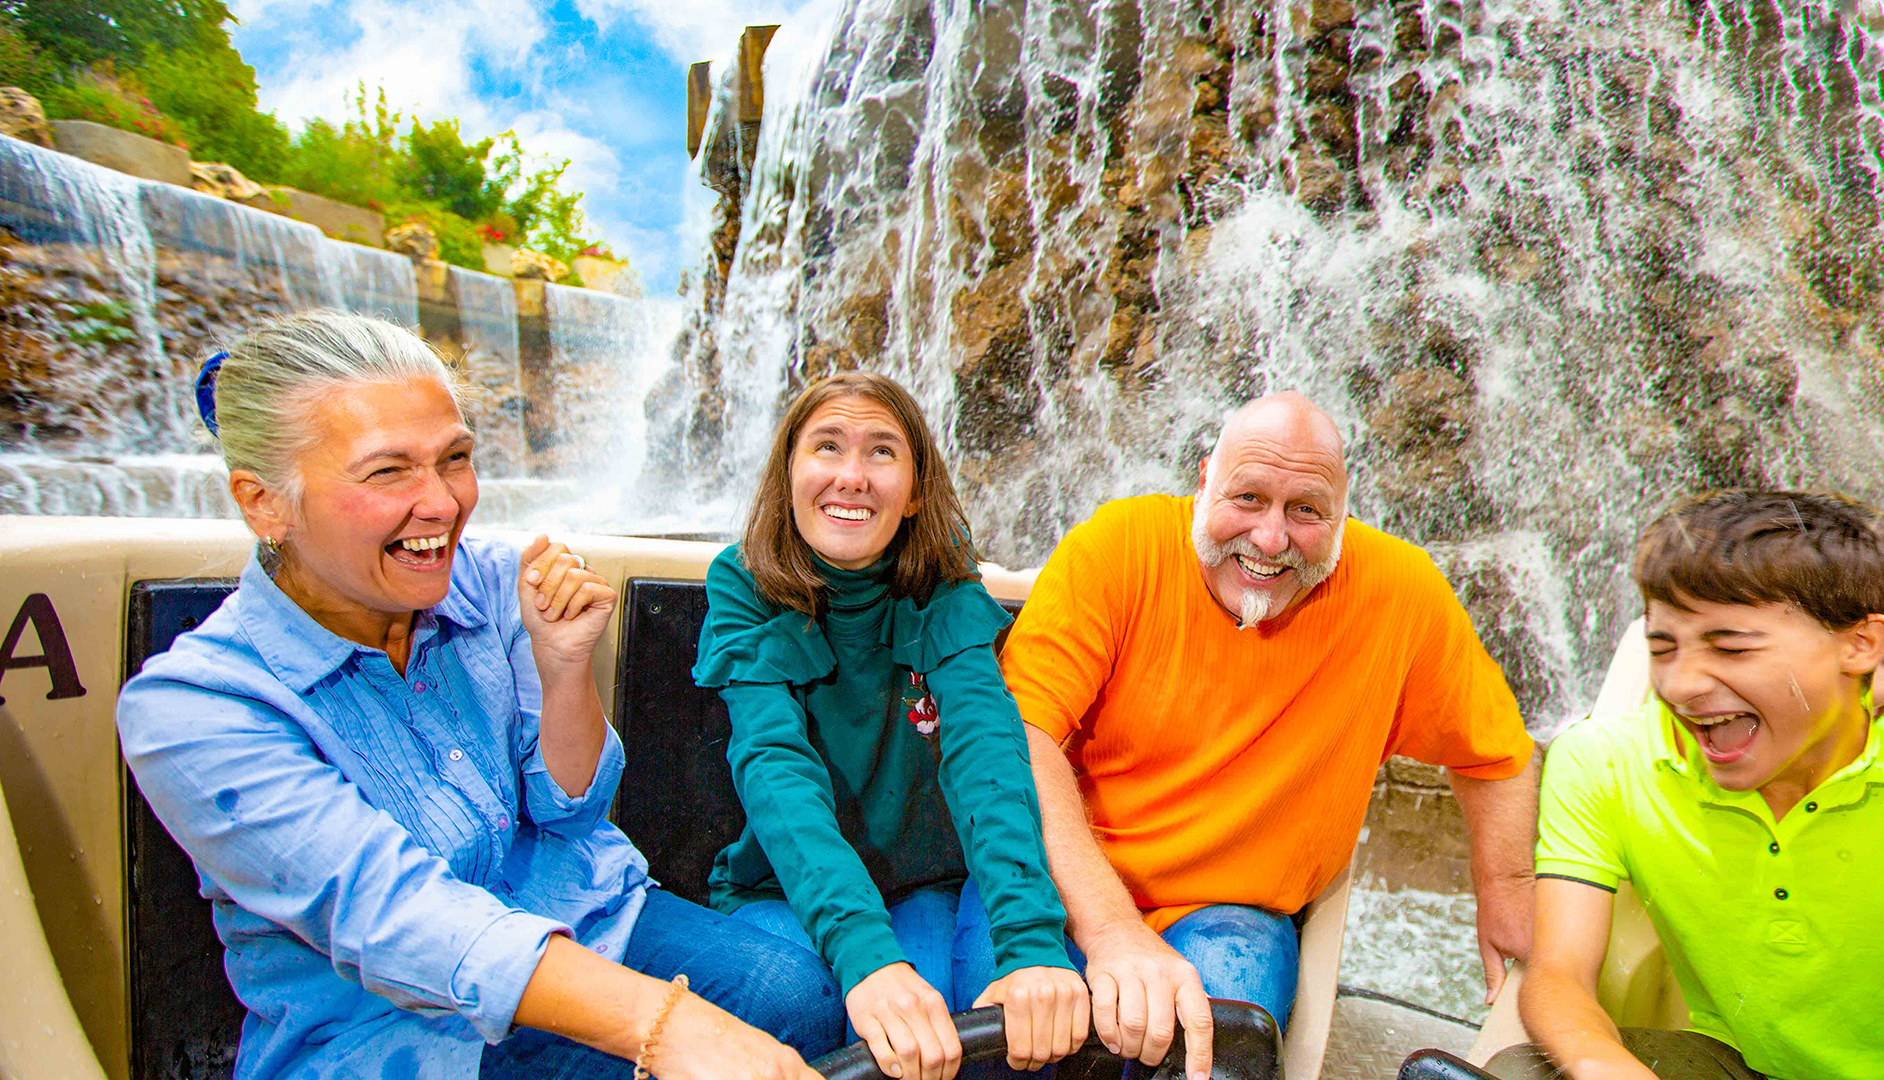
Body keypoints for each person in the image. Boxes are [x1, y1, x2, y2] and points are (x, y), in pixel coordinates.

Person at [118, 311, 844, 1080]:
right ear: (265, 503)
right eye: (388, 471)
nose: (442, 503)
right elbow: (394, 913)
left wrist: (566, 666)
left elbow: (569, 810)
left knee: (793, 999)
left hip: (572, 910)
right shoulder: (191, 711)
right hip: (394, 1026)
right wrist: (667, 1026)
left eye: (454, 458)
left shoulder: (491, 581)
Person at [999, 391, 1540, 1080]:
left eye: (1306, 510)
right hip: (1049, 885)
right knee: (1002, 1043)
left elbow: (1494, 752)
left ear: (1344, 512)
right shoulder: (1117, 548)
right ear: (1204, 484)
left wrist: (1506, 885)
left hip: (1232, 917)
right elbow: (1019, 737)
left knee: (1218, 1047)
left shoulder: (1400, 594)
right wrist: (1109, 930)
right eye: (1248, 498)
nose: (1270, 540)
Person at [1493, 490, 1884, 1080]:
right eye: (1663, 648)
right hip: (1741, 1066)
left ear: (1861, 644)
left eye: (1730, 647)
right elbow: (1557, 974)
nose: (1681, 684)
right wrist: (1600, 1064)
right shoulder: (1601, 761)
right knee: (1524, 1070)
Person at [695, 372, 1089, 1080]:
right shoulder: (744, 585)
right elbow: (776, 773)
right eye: (827, 448)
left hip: (925, 881)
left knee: (962, 1028)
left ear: (913, 492)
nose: (852, 476)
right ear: (788, 474)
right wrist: (867, 957)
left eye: (881, 452)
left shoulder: (943, 583)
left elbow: (987, 758)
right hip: (783, 886)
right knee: (813, 1006)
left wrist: (1033, 943)